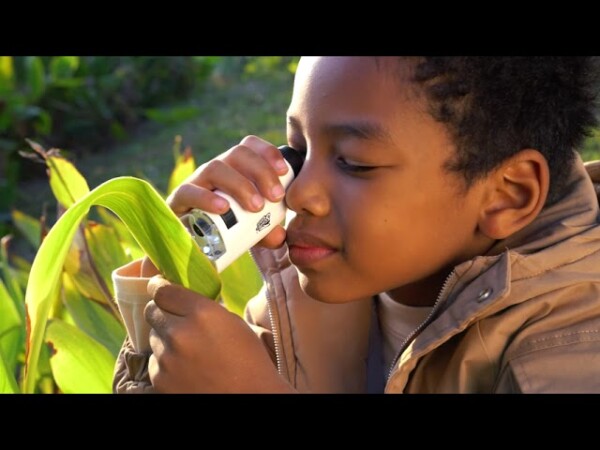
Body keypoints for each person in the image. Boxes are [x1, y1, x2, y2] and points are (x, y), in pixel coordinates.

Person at [112, 57, 600, 393]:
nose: (300, 193)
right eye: (297, 151)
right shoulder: (309, 294)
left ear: (508, 194)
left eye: (354, 162)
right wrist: (171, 269)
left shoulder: (569, 354)